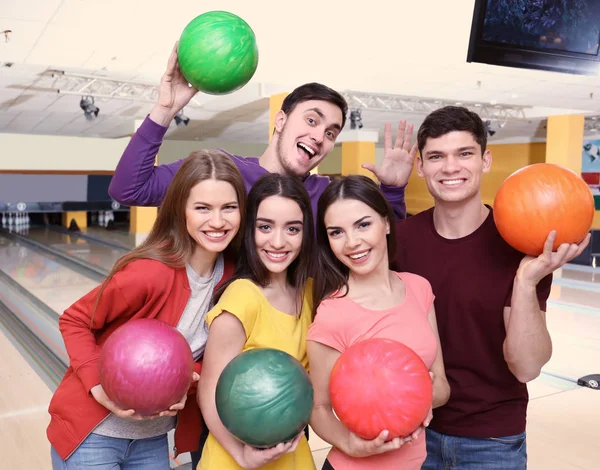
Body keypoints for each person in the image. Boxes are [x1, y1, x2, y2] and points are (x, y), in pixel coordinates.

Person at [392, 106, 591, 469]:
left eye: (464, 153)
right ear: (420, 166)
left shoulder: (520, 246)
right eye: (437, 156)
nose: (450, 168)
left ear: (485, 160)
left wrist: (526, 282)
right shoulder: (401, 241)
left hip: (492, 439)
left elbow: (526, 367)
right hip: (413, 430)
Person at [47, 150, 246, 469]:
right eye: (203, 208)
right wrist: (98, 388)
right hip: (95, 434)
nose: (218, 221)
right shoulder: (150, 273)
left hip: (153, 438)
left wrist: (187, 379)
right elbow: (75, 320)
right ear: (181, 211)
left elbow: (204, 360)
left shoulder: (233, 277)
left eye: (229, 208)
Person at [107, 43, 416, 224]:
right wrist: (163, 110)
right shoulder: (223, 172)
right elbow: (129, 190)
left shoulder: (326, 194)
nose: (320, 136)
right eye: (311, 120)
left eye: (331, 132)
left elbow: (385, 242)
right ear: (280, 120)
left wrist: (392, 190)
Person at [306, 175, 451, 470]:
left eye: (363, 224)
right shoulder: (332, 313)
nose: (352, 242)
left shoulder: (418, 288)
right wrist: (351, 445)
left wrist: (421, 398)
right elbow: (318, 407)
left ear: (386, 222)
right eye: (336, 232)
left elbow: (442, 385)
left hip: (418, 463)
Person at [197, 173, 316, 470]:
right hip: (234, 459)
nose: (278, 241)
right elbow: (209, 391)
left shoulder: (312, 292)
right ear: (250, 230)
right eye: (265, 227)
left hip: (292, 455)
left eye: (292, 228)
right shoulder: (242, 297)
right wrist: (242, 456)